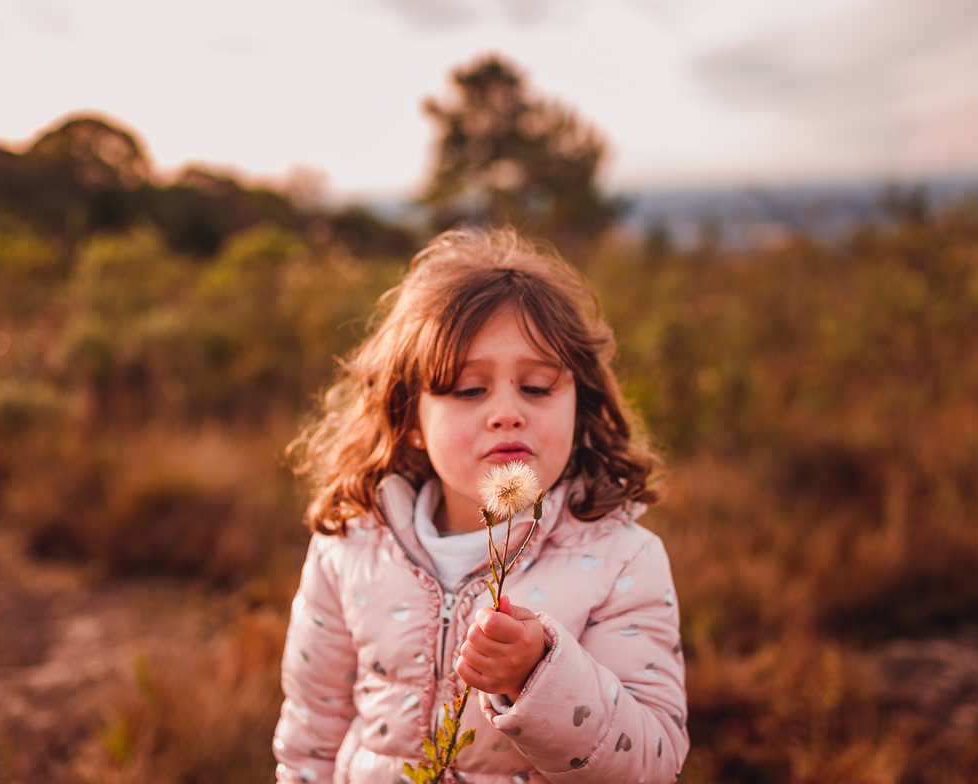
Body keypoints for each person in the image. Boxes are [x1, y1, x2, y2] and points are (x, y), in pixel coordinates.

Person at [274, 228, 688, 783]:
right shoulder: (350, 545)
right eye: (470, 390)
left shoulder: (620, 560)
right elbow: (311, 734)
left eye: (538, 386)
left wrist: (539, 675)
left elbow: (651, 763)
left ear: (579, 406)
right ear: (409, 420)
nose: (507, 412)